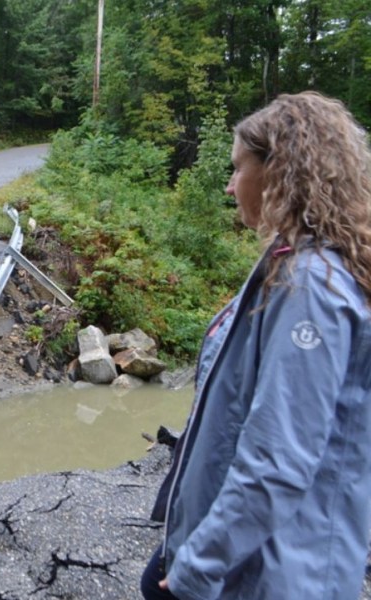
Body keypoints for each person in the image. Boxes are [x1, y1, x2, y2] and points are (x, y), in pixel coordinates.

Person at [141, 91, 371, 599]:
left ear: (278, 173)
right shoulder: (296, 263)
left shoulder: (311, 285)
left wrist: (196, 569)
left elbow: (279, 458)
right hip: (256, 557)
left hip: (278, 572)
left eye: (237, 169)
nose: (229, 186)